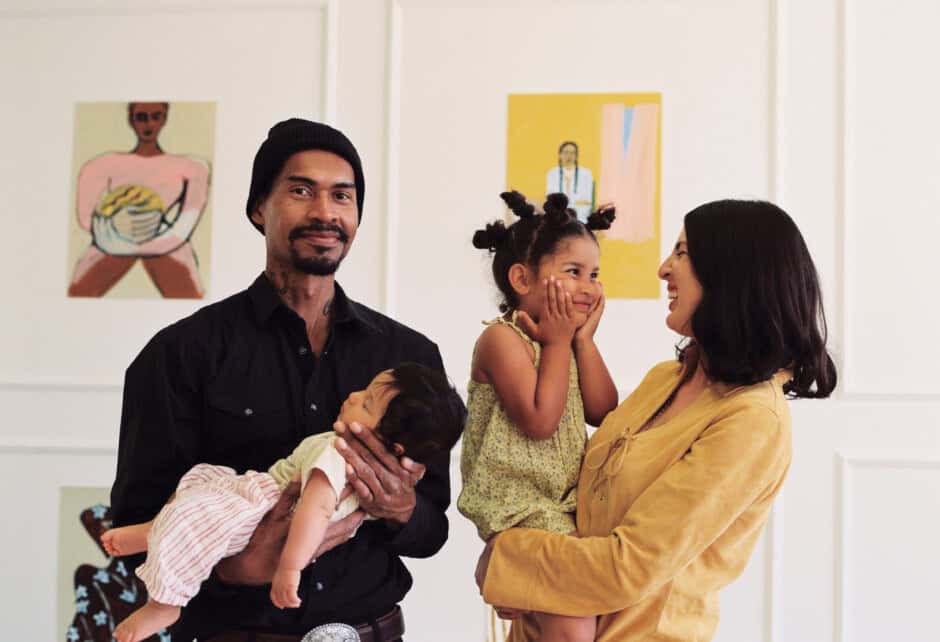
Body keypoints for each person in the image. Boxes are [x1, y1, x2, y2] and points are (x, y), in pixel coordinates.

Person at [109, 118, 461, 642]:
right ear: (259, 208)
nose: (325, 212)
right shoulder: (179, 354)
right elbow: (132, 527)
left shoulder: (409, 358)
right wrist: (237, 570)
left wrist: (401, 507)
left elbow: (433, 531)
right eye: (301, 191)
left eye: (342, 195)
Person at [474, 199, 838, 641]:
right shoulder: (665, 378)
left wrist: (506, 560)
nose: (664, 269)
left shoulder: (753, 419)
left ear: (731, 274)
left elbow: (628, 566)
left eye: (682, 253)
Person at [103, 364, 466, 642]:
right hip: (242, 590)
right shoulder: (183, 350)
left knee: (201, 513)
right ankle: (152, 532)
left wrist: (289, 569)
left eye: (367, 403)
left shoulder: (338, 457)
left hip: (259, 509)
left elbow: (314, 509)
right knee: (198, 498)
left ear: (394, 446)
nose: (354, 395)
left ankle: (165, 604)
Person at [460, 191, 619, 641]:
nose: (588, 287)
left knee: (579, 615)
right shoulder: (502, 340)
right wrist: (557, 343)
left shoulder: (564, 341)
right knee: (575, 620)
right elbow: (539, 420)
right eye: (573, 272)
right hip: (520, 506)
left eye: (594, 275)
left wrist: (582, 342)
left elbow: (604, 411)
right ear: (522, 279)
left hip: (562, 505)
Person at [68, 102, 210, 298]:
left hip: (167, 242)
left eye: (156, 116)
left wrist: (154, 243)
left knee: (190, 296)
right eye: (142, 117)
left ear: (164, 118)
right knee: (79, 292)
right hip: (110, 240)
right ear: (131, 119)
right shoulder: (101, 165)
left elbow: (187, 221)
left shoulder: (193, 168)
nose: (149, 124)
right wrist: (118, 238)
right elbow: (86, 220)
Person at [545, 142, 594, 222]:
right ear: (560, 155)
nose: (569, 156)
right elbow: (551, 196)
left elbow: (587, 200)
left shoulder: (586, 174)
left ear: (576, 155)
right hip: (558, 215)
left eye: (572, 153)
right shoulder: (552, 173)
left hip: (581, 214)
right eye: (566, 152)